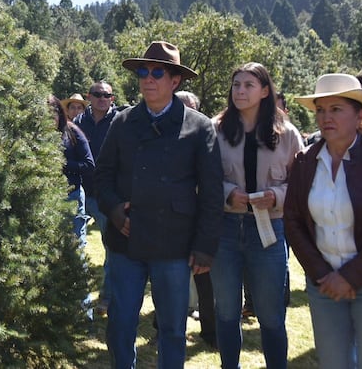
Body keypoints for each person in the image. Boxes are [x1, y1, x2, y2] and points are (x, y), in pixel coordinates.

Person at [94, 41, 223, 369]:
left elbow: (211, 192)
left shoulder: (199, 126)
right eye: (143, 71)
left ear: (175, 80)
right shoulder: (122, 122)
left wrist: (205, 247)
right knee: (120, 324)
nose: (147, 79)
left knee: (172, 329)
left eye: (157, 72)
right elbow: (102, 177)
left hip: (174, 244)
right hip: (127, 240)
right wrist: (112, 210)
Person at [210, 62, 302, 369]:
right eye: (236, 84)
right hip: (225, 228)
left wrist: (276, 195)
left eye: (249, 85)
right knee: (225, 311)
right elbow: (203, 177)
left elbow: (301, 184)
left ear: (265, 91)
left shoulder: (287, 133)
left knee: (271, 314)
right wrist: (227, 192)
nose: (240, 91)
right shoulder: (215, 129)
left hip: (269, 229)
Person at [285, 73, 362, 369]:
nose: (326, 118)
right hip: (323, 285)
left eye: (336, 109)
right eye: (320, 110)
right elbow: (293, 222)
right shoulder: (304, 161)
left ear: (359, 115)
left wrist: (350, 277)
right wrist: (324, 274)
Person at [175, 90, 217, 350]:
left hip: (200, 221)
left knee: (206, 282)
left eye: (189, 107)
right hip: (173, 223)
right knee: (170, 281)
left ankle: (211, 333)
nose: (183, 112)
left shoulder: (207, 134)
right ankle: (164, 328)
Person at [76, 80, 120, 316]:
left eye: (107, 95)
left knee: (111, 249)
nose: (103, 98)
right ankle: (76, 300)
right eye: (98, 94)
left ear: (112, 99)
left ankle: (107, 298)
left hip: (107, 196)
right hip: (82, 193)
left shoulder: (119, 122)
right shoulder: (79, 123)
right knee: (75, 247)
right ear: (89, 97)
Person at [49, 95, 94, 248]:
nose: (49, 117)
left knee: (75, 245)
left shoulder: (72, 132)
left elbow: (88, 164)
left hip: (71, 196)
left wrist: (61, 163)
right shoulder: (36, 134)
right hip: (46, 198)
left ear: (60, 113)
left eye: (52, 113)